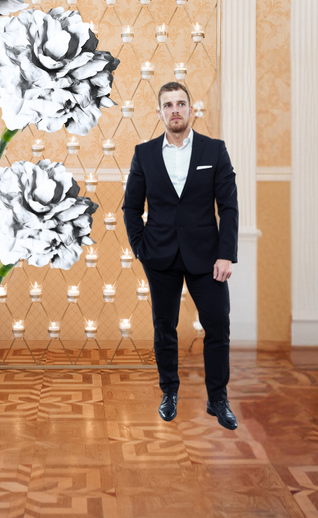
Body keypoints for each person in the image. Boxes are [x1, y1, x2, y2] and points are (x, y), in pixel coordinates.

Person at [122, 82, 239, 430]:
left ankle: (218, 399)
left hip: (208, 258)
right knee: (165, 328)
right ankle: (169, 392)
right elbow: (131, 207)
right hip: (160, 256)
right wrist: (141, 248)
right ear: (159, 113)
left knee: (218, 327)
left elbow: (228, 207)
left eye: (181, 104)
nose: (175, 109)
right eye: (168, 105)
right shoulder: (143, 154)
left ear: (191, 110)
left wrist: (226, 255)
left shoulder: (214, 151)